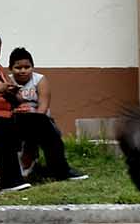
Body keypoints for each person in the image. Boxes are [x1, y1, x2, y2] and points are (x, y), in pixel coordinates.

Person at [0, 30, 82, 188]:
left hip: (8, 115)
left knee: (42, 121)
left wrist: (14, 95)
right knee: (4, 131)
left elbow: (12, 96)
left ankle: (60, 170)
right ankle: (11, 181)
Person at [8, 47, 84, 180]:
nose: (23, 71)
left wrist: (35, 119)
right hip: (18, 118)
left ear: (33, 67)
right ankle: (40, 169)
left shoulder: (39, 80)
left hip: (39, 118)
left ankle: (59, 169)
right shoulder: (8, 81)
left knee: (53, 135)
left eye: (27, 67)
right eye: (18, 67)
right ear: (11, 68)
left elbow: (43, 105)